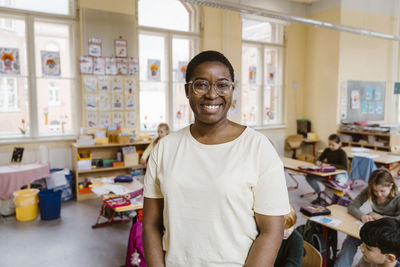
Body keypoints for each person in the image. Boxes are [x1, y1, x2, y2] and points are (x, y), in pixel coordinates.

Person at [143, 50, 290, 266]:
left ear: (232, 90)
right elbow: (151, 226)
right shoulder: (164, 149)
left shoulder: (258, 148)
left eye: (222, 85)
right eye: (201, 84)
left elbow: (271, 232)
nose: (212, 94)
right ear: (187, 90)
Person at [334, 168, 400, 267]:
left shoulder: (398, 197)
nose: (378, 194)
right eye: (375, 191)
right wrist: (362, 216)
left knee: (372, 250)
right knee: (350, 240)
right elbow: (352, 206)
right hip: (374, 228)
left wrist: (381, 217)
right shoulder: (371, 190)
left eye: (382, 191)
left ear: (391, 186)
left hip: (389, 233)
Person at [305, 134, 348, 204]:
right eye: (329, 144)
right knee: (309, 177)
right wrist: (318, 161)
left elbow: (344, 167)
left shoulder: (342, 153)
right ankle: (320, 195)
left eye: (333, 145)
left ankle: (336, 199)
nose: (330, 146)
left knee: (337, 182)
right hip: (328, 174)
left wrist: (330, 165)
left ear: (339, 144)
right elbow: (320, 158)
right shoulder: (327, 150)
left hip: (340, 174)